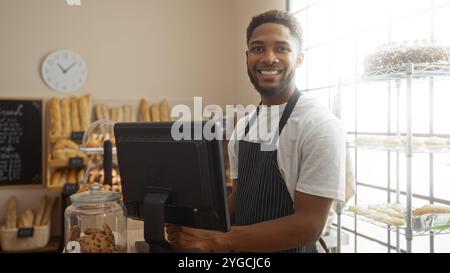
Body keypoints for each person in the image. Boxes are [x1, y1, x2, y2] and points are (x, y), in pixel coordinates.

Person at [166, 9, 345, 253]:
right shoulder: (245, 126)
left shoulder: (319, 125)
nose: (269, 58)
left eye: (281, 48)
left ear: (300, 58)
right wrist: (195, 225)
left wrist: (217, 240)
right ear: (247, 56)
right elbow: (239, 200)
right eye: (258, 48)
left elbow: (310, 225)